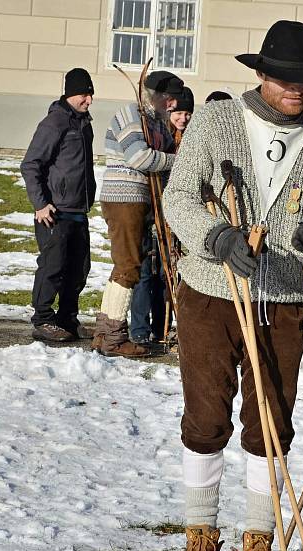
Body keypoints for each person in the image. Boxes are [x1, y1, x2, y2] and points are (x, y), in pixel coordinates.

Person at [162, 20, 303, 551]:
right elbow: (179, 196)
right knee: (207, 416)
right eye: (286, 78)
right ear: (262, 74)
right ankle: (200, 535)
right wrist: (216, 238)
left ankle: (258, 541)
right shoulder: (216, 122)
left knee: (271, 422)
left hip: (280, 297)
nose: (297, 89)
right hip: (211, 290)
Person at [93, 70, 182, 357]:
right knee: (129, 267)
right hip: (124, 199)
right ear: (155, 96)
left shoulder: (155, 122)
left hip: (140, 200)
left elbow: (157, 156)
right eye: (169, 100)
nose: (172, 106)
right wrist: (176, 161)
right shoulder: (130, 114)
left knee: (126, 265)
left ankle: (104, 333)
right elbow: (139, 157)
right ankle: (114, 338)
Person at [20, 67, 96, 343]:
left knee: (78, 269)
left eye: (90, 94)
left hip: (78, 209)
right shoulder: (54, 123)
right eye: (83, 95)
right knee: (53, 267)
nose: (88, 100)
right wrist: (41, 204)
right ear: (69, 94)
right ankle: (43, 319)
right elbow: (30, 164)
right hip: (55, 212)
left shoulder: (83, 123)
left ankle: (67, 318)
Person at [129, 87, 194, 346]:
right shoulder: (158, 135)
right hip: (151, 209)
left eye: (188, 113)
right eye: (179, 112)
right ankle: (140, 329)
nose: (183, 118)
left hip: (174, 217)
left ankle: (162, 326)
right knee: (147, 270)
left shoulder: (190, 140)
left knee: (169, 273)